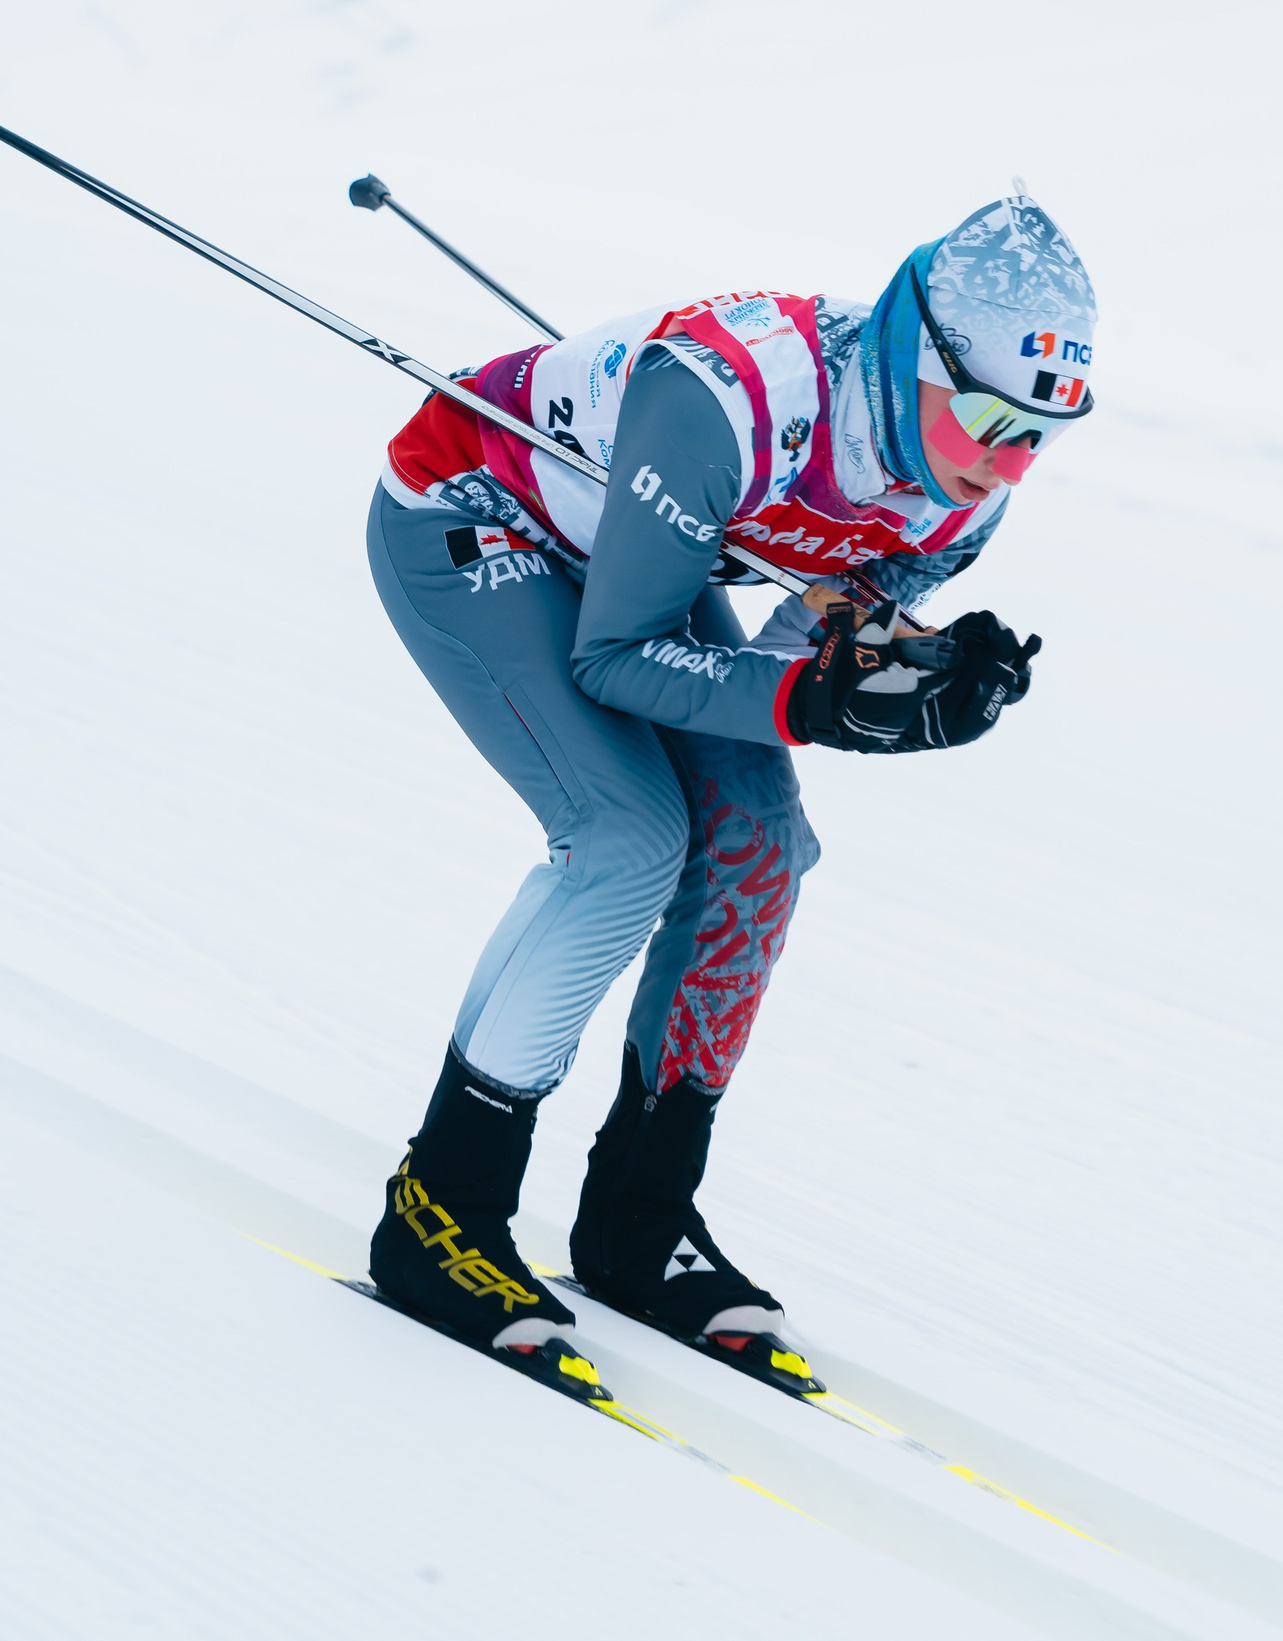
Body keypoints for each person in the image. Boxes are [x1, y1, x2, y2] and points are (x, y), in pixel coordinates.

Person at [360, 192, 1096, 1375]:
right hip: (477, 515)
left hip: (631, 561)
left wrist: (888, 681)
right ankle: (438, 1209)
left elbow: (788, 644)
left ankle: (637, 1225)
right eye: (987, 417)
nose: (1006, 461)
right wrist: (816, 704)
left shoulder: (969, 489)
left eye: (1042, 433)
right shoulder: (727, 404)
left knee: (757, 842)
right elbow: (619, 659)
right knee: (627, 842)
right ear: (914, 353)